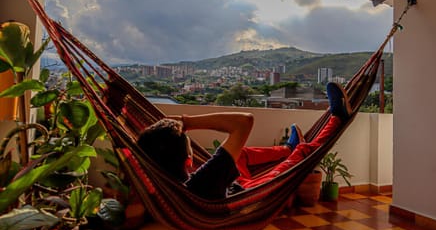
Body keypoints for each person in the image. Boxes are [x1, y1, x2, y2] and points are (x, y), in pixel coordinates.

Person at [137, 82, 351, 200]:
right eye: (188, 143)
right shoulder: (204, 179)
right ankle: (337, 117)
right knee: (303, 154)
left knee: (242, 154)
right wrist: (187, 121)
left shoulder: (166, 181)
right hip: (250, 191)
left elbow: (145, 145)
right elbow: (244, 121)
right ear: (188, 162)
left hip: (231, 184)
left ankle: (287, 148)